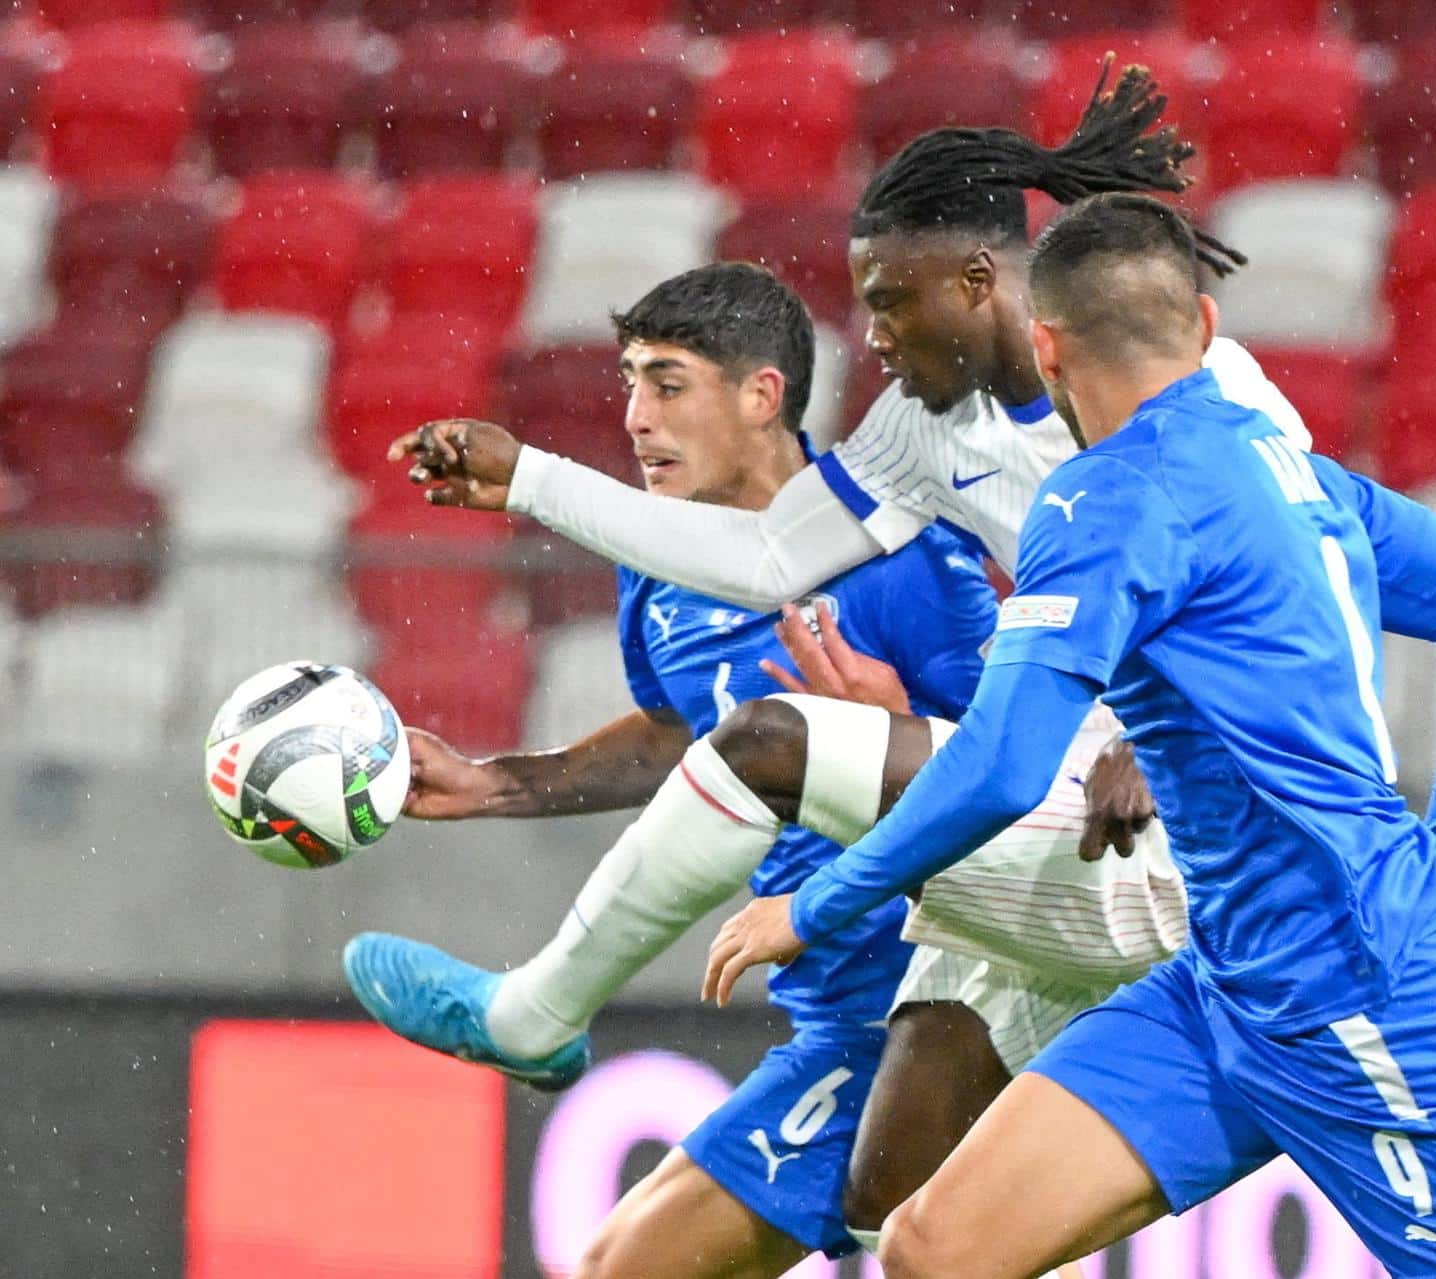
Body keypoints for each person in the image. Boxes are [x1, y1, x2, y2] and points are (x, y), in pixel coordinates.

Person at [386, 61, 1305, 1256]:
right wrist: (530, 481)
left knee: (771, 742)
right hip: (1057, 803)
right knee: (891, 1200)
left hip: (1200, 813)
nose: (871, 332)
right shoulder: (928, 430)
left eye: (892, 300)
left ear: (981, 282)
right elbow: (770, 554)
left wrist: (1167, 730)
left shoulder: (1186, 385)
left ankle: (534, 1009)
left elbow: (1314, 582)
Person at [701, 194, 1436, 1278]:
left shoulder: (1105, 498)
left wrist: (821, 902)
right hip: (1226, 986)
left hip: (1360, 993)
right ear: (1206, 328)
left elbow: (1004, 767)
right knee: (935, 1248)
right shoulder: (1293, 468)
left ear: (1045, 343)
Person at [342, 262, 1000, 1277]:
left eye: (667, 383)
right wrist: (499, 783)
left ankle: (533, 1012)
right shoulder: (659, 560)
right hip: (832, 1006)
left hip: (936, 1005)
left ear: (762, 395)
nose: (637, 418)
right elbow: (680, 730)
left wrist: (898, 723)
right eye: (628, 383)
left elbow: (1024, 762)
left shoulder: (904, 560)